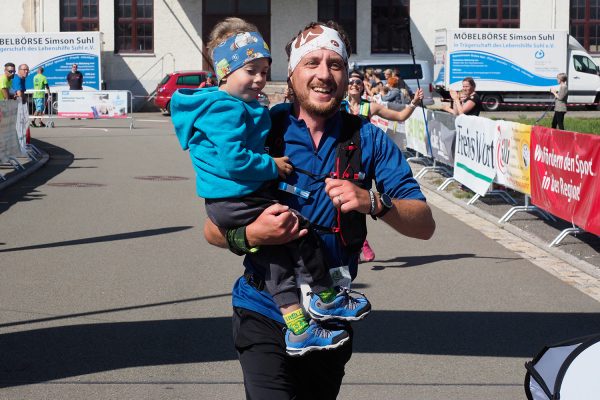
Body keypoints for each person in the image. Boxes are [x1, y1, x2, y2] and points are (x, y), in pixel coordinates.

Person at [203, 20, 435, 399]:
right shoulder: (258, 130)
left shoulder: (368, 138)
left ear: (347, 77)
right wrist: (251, 235)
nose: (324, 74)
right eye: (312, 63)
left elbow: (423, 225)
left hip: (330, 317)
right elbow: (213, 228)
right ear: (292, 75)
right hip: (262, 308)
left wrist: (371, 201)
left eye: (335, 64)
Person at [171, 17, 370, 358]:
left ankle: (299, 329)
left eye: (264, 71)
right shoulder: (226, 108)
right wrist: (272, 165)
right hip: (236, 200)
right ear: (225, 72)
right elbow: (234, 161)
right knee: (298, 232)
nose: (260, 79)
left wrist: (374, 201)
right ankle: (326, 297)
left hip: (231, 199)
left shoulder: (236, 106)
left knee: (277, 256)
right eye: (251, 70)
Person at [342, 69, 424, 262]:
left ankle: (360, 242)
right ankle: (355, 243)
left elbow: (401, 117)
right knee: (343, 203)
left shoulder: (370, 107)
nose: (354, 84)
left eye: (358, 82)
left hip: (362, 160)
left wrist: (413, 102)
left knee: (358, 203)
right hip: (342, 158)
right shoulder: (338, 106)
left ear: (363, 87)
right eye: (351, 82)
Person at [12, 64, 30, 152]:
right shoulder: (17, 79)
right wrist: (24, 103)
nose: (26, 71)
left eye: (27, 70)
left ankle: (21, 146)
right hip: (15, 107)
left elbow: (22, 93)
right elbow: (19, 94)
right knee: (17, 126)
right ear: (19, 70)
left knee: (21, 126)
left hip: (17, 106)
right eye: (24, 69)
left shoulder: (22, 79)